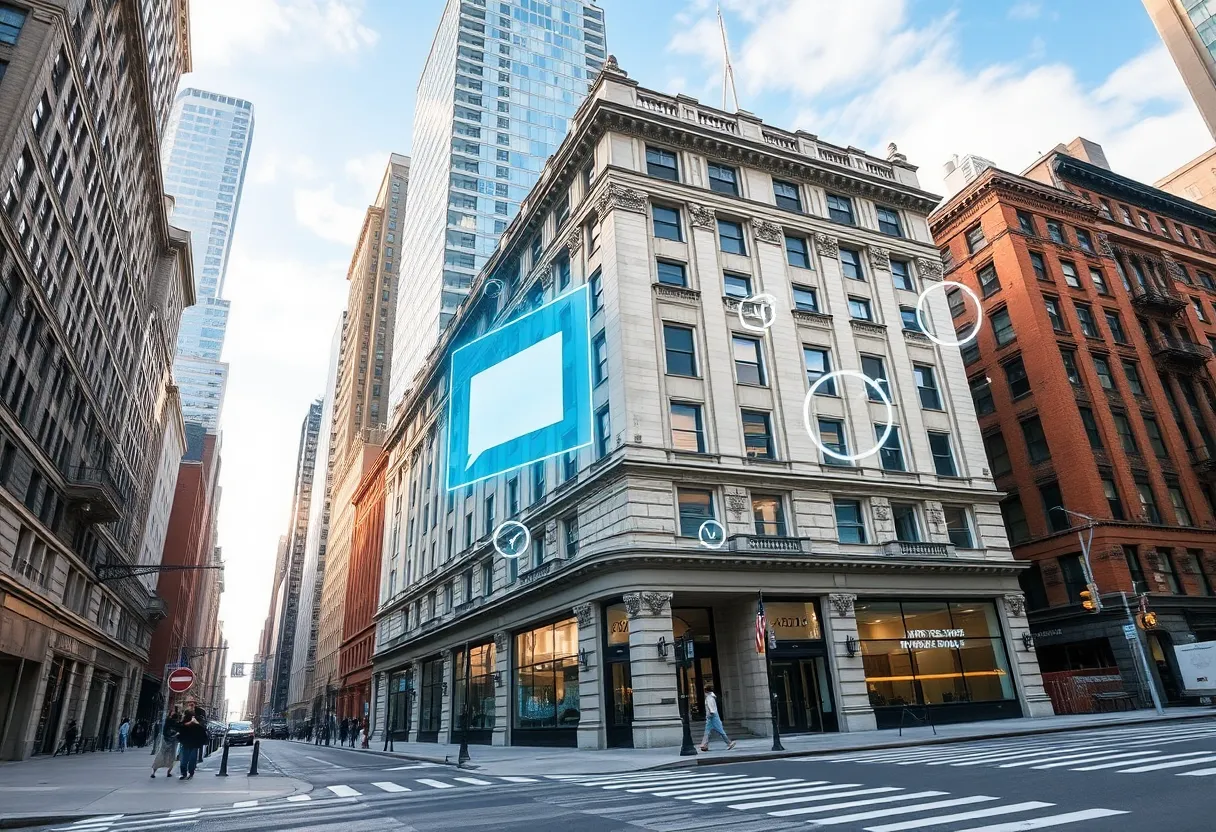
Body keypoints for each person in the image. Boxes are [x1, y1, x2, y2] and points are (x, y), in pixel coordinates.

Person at [698, 683, 735, 752]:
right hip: (711, 717)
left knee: (720, 731)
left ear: (706, 690)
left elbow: (711, 708)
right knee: (707, 731)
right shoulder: (711, 697)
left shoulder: (709, 698)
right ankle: (704, 745)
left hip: (712, 717)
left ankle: (729, 743)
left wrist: (710, 714)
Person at [178, 707, 206, 780]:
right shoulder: (186, 722)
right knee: (186, 760)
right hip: (188, 743)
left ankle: (188, 773)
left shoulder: (198, 721)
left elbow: (202, 730)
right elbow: (181, 728)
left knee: (189, 760)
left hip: (191, 744)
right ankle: (186, 773)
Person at [151, 710, 180, 778]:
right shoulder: (177, 724)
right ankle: (168, 772)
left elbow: (164, 732)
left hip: (166, 741)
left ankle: (154, 772)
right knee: (171, 757)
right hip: (173, 742)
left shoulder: (167, 722)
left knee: (161, 755)